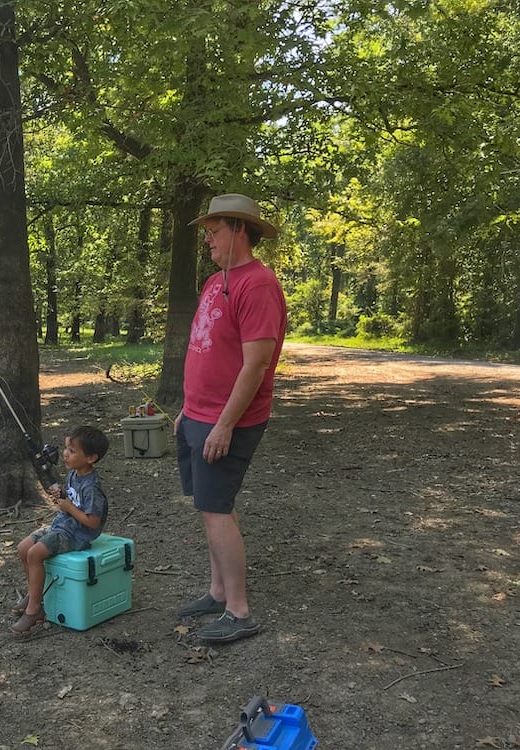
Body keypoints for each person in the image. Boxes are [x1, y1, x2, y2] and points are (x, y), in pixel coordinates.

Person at [173, 193, 287, 643]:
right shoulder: (213, 281)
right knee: (210, 505)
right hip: (199, 415)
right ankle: (218, 592)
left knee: (217, 508)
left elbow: (256, 364)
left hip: (229, 422)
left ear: (239, 230)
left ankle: (239, 612)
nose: (207, 240)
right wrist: (189, 408)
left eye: (213, 231)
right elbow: (208, 349)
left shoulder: (257, 284)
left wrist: (223, 424)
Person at [11, 425, 110, 635]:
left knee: (34, 554)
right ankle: (34, 594)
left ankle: (35, 609)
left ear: (91, 458)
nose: (65, 453)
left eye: (72, 451)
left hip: (76, 535)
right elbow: (70, 500)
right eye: (66, 448)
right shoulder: (74, 474)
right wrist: (61, 494)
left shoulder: (92, 487)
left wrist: (68, 507)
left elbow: (92, 521)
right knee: (23, 548)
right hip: (62, 525)